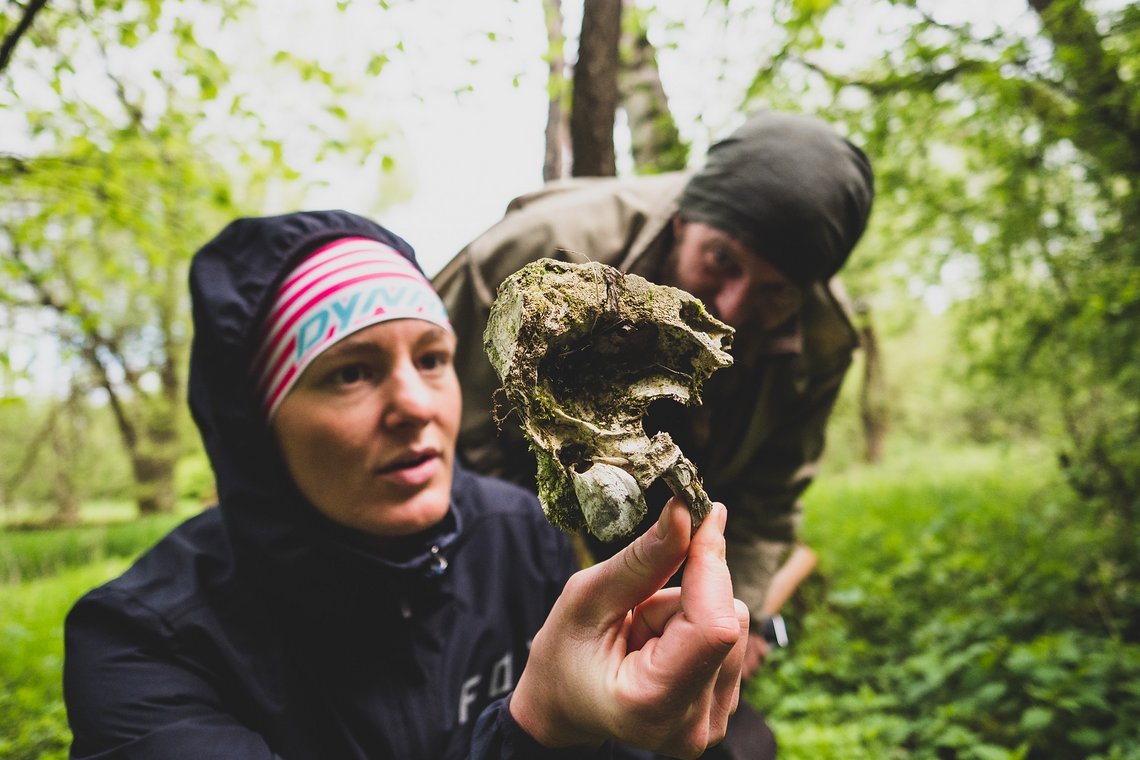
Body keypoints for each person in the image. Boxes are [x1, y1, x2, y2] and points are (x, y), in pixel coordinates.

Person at [62, 210, 748, 759]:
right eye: (350, 372)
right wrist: (538, 726)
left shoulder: (516, 535)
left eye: (432, 358)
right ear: (260, 427)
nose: (415, 405)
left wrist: (653, 728)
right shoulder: (143, 645)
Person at [433, 109, 874, 679]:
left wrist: (726, 624)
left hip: (665, 533)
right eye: (721, 261)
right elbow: (437, 424)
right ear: (681, 224)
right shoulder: (547, 251)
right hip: (498, 520)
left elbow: (767, 499)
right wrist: (554, 582)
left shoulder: (824, 338)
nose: (733, 308)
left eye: (774, 291)